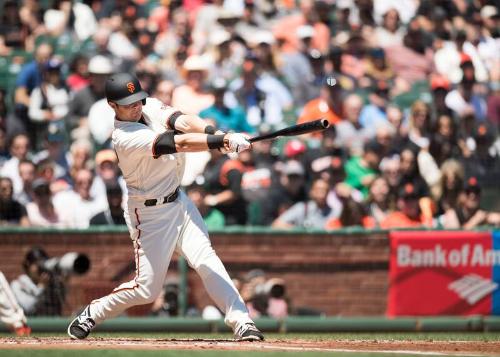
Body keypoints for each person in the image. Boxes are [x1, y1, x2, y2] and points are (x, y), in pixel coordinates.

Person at [67, 73, 264, 342]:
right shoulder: (123, 137)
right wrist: (221, 143)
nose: (136, 106)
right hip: (148, 214)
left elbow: (183, 122)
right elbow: (178, 142)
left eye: (137, 99)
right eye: (128, 103)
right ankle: (94, 311)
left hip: (179, 202)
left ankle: (242, 322)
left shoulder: (147, 105)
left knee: (207, 260)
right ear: (112, 105)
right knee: (146, 290)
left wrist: (217, 134)